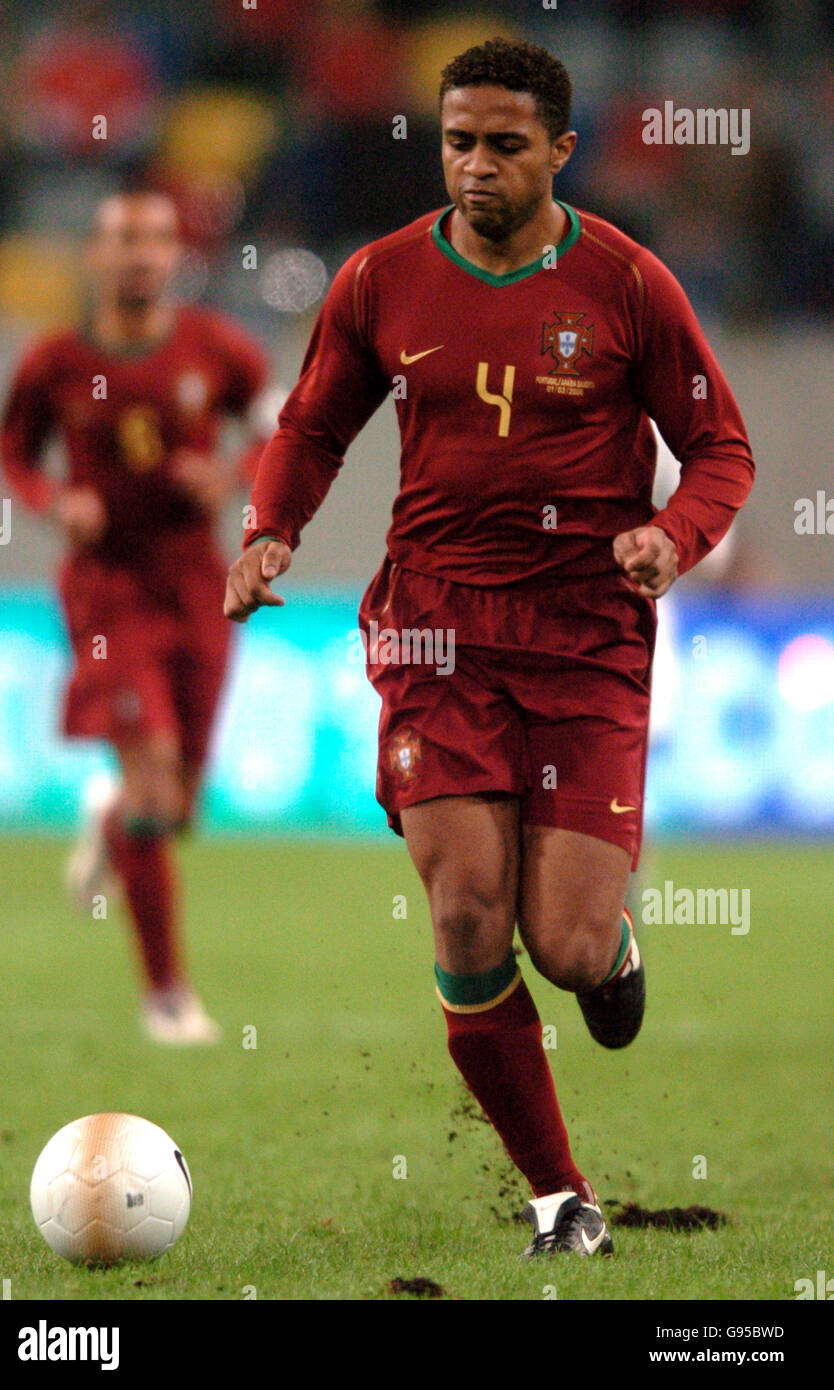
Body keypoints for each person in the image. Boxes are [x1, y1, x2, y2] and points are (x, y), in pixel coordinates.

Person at [223, 37, 755, 1255]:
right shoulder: (379, 279)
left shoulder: (625, 284)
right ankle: (561, 1200)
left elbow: (719, 447)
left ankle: (607, 951)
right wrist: (267, 532)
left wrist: (672, 534)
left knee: (561, 943)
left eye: (504, 146)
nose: (474, 166)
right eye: (457, 141)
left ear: (558, 151)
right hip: (435, 627)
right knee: (466, 913)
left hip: (582, 634)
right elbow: (310, 426)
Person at [0, 191, 283, 1044]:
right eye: (125, 238)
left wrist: (231, 475)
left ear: (174, 255)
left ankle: (109, 818)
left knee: (178, 806)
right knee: (156, 786)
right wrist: (54, 499)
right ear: (95, 254)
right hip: (108, 591)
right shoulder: (54, 360)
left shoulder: (214, 348)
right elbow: (15, 450)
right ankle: (167, 996)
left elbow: (279, 428)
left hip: (197, 587)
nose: (142, 254)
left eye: (158, 238)